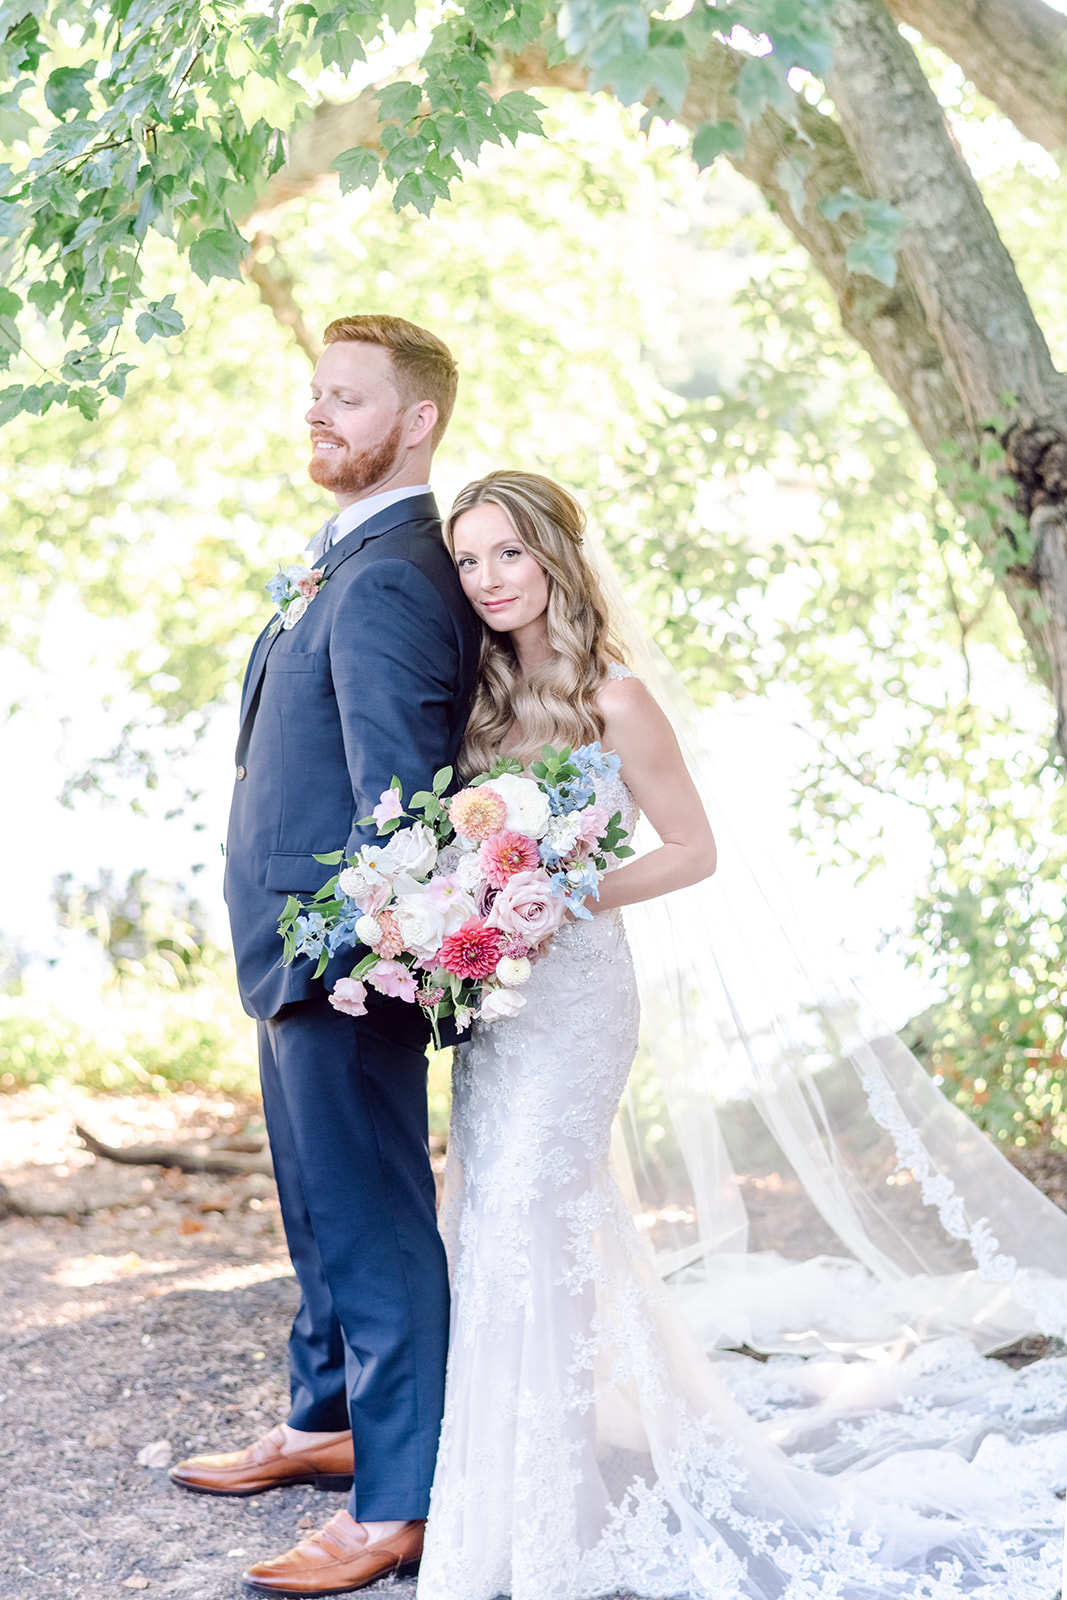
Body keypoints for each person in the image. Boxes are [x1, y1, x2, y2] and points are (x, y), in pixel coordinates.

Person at [415, 470, 1067, 1600]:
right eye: (467, 561)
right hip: (499, 1012)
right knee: (490, 1223)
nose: (485, 581)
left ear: (554, 557)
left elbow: (689, 848)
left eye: (506, 555)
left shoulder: (614, 699)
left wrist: (562, 895)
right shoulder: (475, 702)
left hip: (575, 1001)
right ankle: (528, 1486)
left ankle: (552, 1517)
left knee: (529, 1216)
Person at [168, 314, 483, 1597]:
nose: (318, 414)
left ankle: (398, 1499)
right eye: (315, 394)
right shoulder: (341, 558)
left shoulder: (401, 570)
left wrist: (360, 953)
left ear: (414, 422)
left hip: (345, 955)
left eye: (346, 399)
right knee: (313, 1207)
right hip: (290, 941)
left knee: (373, 1218)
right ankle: (321, 1422)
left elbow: (400, 802)